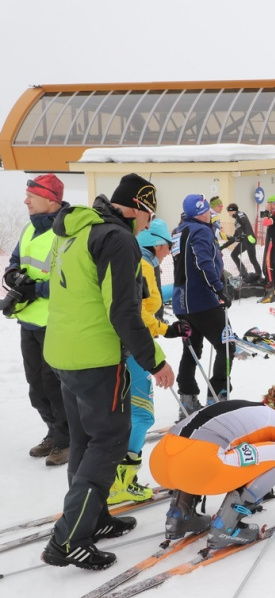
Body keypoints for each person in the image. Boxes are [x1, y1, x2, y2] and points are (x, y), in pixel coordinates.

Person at [41, 173, 175, 571]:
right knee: (110, 440)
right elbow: (123, 311)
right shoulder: (118, 240)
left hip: (63, 351)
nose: (149, 224)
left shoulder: (77, 230)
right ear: (136, 208)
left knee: (85, 439)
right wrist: (155, 360)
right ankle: (69, 539)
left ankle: (92, 518)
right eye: (149, 215)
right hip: (97, 357)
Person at [149, 386, 275, 548]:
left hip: (160, 461)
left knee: (209, 450)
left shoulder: (242, 408)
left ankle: (179, 516)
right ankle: (226, 527)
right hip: (200, 464)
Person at [110, 219, 191, 504]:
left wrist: (166, 328)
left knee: (126, 415)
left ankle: (114, 479)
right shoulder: (143, 265)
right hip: (133, 350)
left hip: (127, 346)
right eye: (168, 246)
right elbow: (136, 314)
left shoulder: (145, 263)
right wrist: (163, 330)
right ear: (157, 244)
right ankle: (122, 482)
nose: (169, 251)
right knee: (141, 415)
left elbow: (146, 309)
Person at [3, 174, 70, 466]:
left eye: (32, 195)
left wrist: (36, 289)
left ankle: (66, 440)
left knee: (54, 385)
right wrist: (13, 276)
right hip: (29, 320)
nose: (25, 200)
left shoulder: (66, 232)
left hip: (54, 322)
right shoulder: (29, 230)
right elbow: (16, 261)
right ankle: (54, 433)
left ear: (50, 199)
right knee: (36, 386)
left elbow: (71, 279)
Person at [172, 194, 235, 412]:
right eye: (208, 210)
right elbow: (203, 262)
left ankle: (187, 398)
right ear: (202, 212)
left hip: (182, 301)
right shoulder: (201, 231)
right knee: (227, 345)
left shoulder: (178, 230)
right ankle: (219, 395)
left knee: (192, 350)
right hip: (201, 300)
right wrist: (219, 289)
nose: (210, 214)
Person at [220, 202, 262, 282]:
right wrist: (223, 246)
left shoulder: (240, 214)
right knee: (234, 254)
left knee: (252, 259)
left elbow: (246, 223)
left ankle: (259, 275)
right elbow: (235, 237)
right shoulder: (236, 222)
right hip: (244, 242)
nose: (229, 214)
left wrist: (249, 235)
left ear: (232, 210)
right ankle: (243, 273)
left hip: (250, 240)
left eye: (229, 212)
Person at [260, 195, 275, 302]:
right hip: (270, 244)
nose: (272, 206)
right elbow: (264, 220)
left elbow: (265, 222)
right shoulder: (272, 214)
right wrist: (267, 212)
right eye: (270, 204)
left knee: (272, 266)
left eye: (274, 204)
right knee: (269, 266)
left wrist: (266, 211)